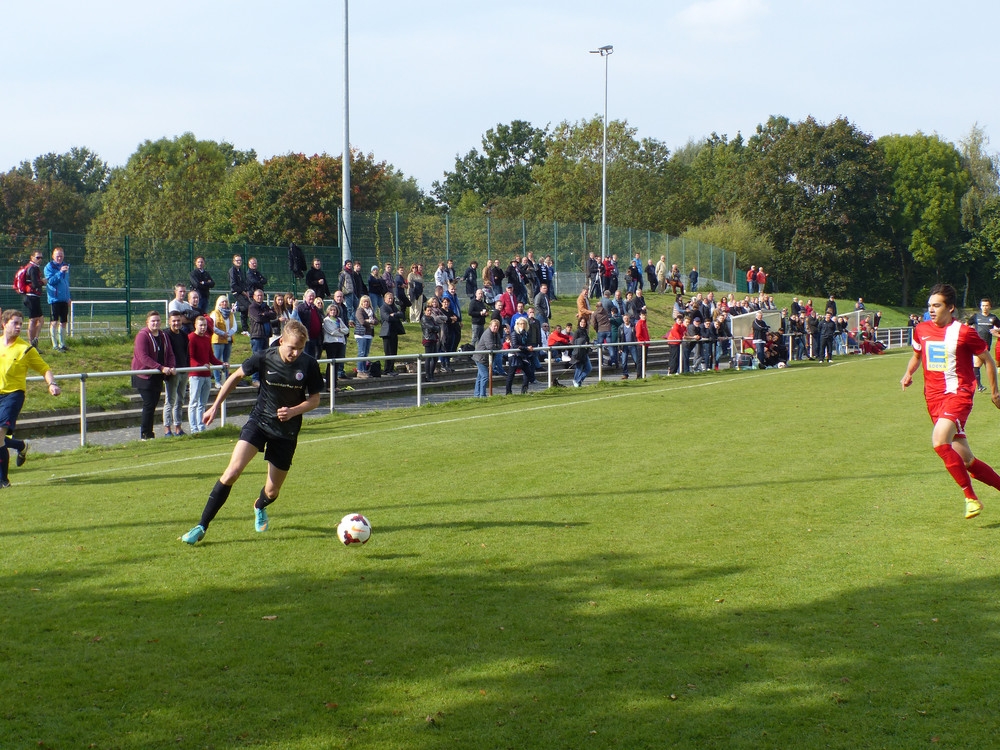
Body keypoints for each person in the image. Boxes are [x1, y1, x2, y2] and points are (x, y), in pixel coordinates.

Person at [180, 320, 323, 544]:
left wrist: (293, 411)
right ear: (281, 341)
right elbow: (236, 376)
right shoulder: (264, 357)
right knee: (232, 472)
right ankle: (201, 526)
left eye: (300, 348)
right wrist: (215, 406)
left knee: (272, 492)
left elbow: (315, 400)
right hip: (259, 422)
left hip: (285, 432)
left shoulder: (309, 364)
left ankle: (259, 505)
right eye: (292, 347)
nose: (296, 353)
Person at [901, 283, 1000, 520]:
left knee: (939, 441)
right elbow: (917, 355)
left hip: (958, 395)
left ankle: (970, 498)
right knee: (967, 460)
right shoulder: (921, 329)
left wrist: (995, 393)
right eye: (929, 306)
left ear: (951, 307)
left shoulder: (963, 332)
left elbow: (988, 360)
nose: (931, 310)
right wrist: (908, 374)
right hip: (933, 399)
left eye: (937, 305)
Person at [0, 309, 61, 486]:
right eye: (15, 323)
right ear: (4, 324)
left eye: (21, 323)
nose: (19, 327)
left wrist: (52, 384)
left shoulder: (25, 349)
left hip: (13, 395)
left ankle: (3, 481)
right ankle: (20, 446)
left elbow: (45, 369)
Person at [131, 311, 176, 441]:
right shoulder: (142, 336)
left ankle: (149, 433)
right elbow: (143, 357)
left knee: (153, 404)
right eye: (153, 321)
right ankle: (145, 434)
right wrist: (161, 367)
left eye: (158, 320)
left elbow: (170, 353)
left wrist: (171, 366)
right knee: (149, 403)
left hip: (158, 375)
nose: (155, 323)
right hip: (144, 375)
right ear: (147, 322)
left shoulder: (163, 335)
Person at [187, 315, 221, 433]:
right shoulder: (191, 337)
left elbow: (211, 357)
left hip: (206, 375)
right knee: (194, 402)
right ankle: (193, 428)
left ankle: (201, 427)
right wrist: (201, 365)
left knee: (202, 403)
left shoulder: (207, 338)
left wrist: (222, 364)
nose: (203, 328)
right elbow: (190, 357)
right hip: (195, 374)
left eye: (205, 325)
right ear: (195, 325)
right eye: (201, 325)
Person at [163, 311, 190, 437]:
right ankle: (167, 429)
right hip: (172, 373)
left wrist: (188, 367)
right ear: (169, 321)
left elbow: (186, 353)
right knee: (170, 401)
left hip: (183, 371)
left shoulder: (184, 335)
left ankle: (178, 427)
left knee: (180, 400)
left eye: (178, 320)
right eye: (174, 321)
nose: (176, 323)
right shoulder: (166, 335)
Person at [968, 298, 1000, 392]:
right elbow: (966, 325)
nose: (984, 307)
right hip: (977, 344)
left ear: (990, 307)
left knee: (984, 365)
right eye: (983, 306)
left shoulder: (993, 318)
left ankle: (978, 384)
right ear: (980, 306)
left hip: (987, 345)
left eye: (986, 306)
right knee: (977, 364)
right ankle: (979, 386)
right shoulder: (976, 316)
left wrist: (997, 330)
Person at [44, 246, 71, 352]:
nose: (59, 258)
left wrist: (68, 297)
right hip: (54, 299)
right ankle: (55, 345)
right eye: (57, 256)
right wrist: (60, 272)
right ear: (53, 256)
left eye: (61, 256)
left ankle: (62, 344)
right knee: (54, 321)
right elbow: (51, 281)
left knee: (63, 321)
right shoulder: (49, 267)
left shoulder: (65, 266)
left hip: (64, 298)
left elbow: (66, 283)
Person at [209, 295, 236, 387]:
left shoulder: (230, 313)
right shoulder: (214, 313)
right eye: (222, 302)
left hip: (228, 339)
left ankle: (226, 380)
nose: (224, 303)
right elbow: (212, 326)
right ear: (219, 303)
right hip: (218, 340)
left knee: (226, 361)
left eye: (226, 301)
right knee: (217, 360)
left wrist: (229, 333)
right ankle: (217, 381)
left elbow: (234, 326)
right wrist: (222, 333)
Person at [21, 250, 46, 347]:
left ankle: (34, 342)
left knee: (38, 319)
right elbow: (35, 284)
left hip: (33, 296)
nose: (40, 259)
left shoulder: (33, 268)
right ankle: (32, 343)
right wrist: (43, 282)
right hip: (31, 296)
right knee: (34, 320)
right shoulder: (33, 268)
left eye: (41, 258)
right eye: (37, 257)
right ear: (32, 258)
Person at [322, 301, 349, 389]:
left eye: (334, 310)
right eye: (331, 310)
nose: (333, 312)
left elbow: (346, 330)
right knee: (331, 364)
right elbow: (332, 332)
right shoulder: (326, 320)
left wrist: (340, 330)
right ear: (328, 311)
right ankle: (329, 386)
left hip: (340, 342)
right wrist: (341, 331)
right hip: (331, 343)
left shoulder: (339, 320)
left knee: (337, 364)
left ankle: (335, 385)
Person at [505, 317, 535, 395]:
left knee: (528, 373)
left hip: (523, 355)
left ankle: (524, 391)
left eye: (524, 323)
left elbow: (529, 342)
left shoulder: (526, 333)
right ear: (517, 324)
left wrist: (529, 347)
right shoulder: (514, 333)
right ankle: (508, 392)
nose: (522, 325)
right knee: (511, 374)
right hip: (514, 355)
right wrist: (526, 348)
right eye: (521, 324)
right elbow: (515, 345)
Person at [473, 317, 502, 397]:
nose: (496, 327)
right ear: (490, 326)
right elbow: (490, 346)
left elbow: (500, 345)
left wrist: (495, 346)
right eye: (494, 326)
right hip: (480, 358)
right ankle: (482, 395)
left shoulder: (496, 334)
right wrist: (496, 346)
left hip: (487, 358)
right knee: (485, 376)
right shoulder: (487, 333)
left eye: (497, 326)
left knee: (480, 377)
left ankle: (477, 395)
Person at [379, 291, 404, 376]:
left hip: (394, 332)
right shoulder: (383, 307)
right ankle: (387, 370)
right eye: (389, 298)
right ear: (385, 299)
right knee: (388, 352)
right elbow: (387, 318)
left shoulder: (394, 307)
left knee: (394, 352)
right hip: (387, 333)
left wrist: (394, 315)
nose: (390, 300)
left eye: (392, 298)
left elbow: (401, 314)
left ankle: (391, 369)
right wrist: (394, 316)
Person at [354, 294, 376, 378]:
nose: (366, 303)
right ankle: (360, 370)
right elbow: (362, 322)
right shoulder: (359, 311)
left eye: (367, 302)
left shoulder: (371, 310)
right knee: (361, 353)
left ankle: (364, 370)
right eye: (364, 302)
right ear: (361, 303)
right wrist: (370, 321)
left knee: (366, 353)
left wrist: (370, 321)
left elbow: (376, 321)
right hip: (361, 334)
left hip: (369, 334)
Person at [229, 254, 251, 333]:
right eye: (237, 260)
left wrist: (247, 291)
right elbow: (233, 284)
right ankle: (236, 308)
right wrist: (242, 292)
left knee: (245, 309)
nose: (239, 262)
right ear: (233, 261)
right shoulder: (232, 270)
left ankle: (245, 329)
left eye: (240, 260)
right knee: (249, 306)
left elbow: (244, 282)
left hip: (243, 292)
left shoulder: (241, 270)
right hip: (237, 293)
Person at [571, 316, 593, 387]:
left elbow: (586, 341)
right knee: (579, 368)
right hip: (579, 353)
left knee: (589, 368)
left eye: (584, 322)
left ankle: (578, 381)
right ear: (579, 323)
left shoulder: (585, 331)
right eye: (581, 322)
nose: (583, 323)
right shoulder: (577, 332)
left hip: (585, 353)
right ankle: (577, 381)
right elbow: (574, 342)